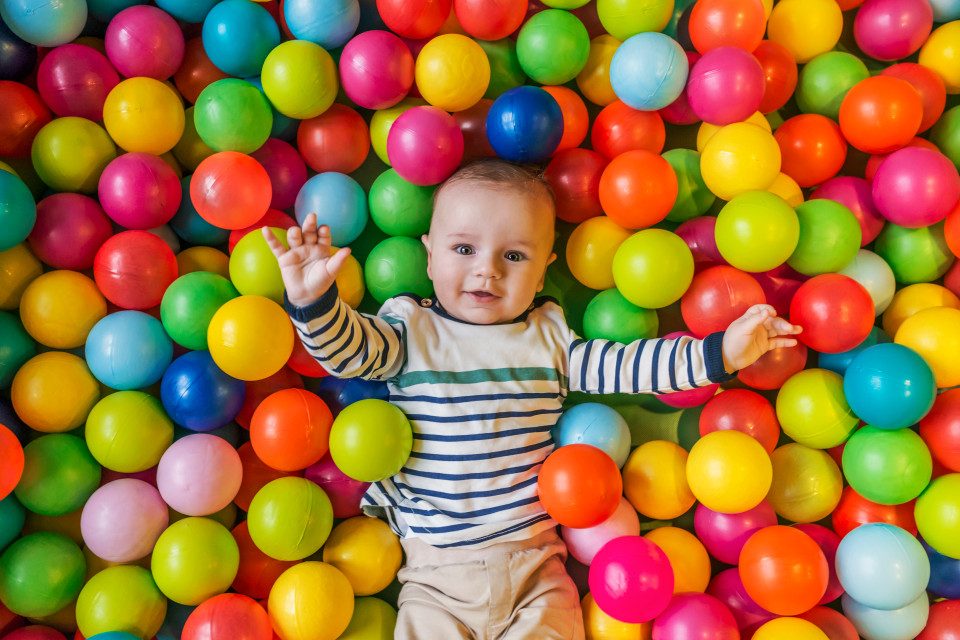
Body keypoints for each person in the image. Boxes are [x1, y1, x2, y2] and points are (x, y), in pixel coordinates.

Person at [264, 159, 801, 640]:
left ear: (543, 269)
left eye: (514, 255)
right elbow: (349, 354)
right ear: (429, 257)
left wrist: (720, 354)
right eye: (463, 249)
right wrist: (313, 300)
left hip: (535, 569)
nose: (487, 269)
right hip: (434, 577)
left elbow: (629, 366)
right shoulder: (411, 328)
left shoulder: (548, 340)